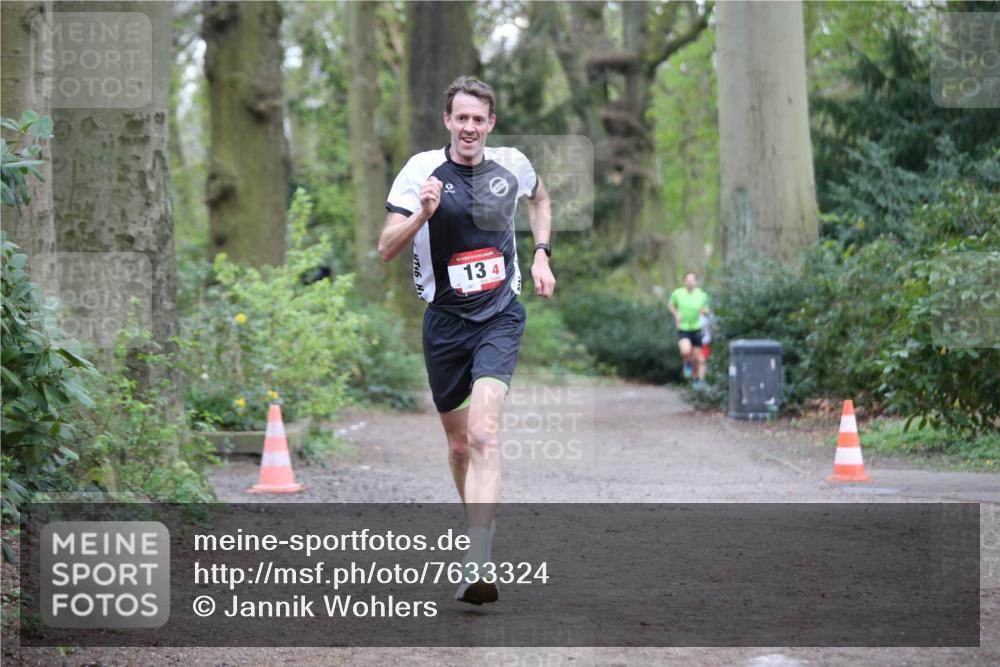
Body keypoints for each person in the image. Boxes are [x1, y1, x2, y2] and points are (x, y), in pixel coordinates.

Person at [377, 76, 555, 605]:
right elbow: (386, 248)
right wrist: (423, 214)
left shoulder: (514, 166)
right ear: (448, 121)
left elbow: (541, 200)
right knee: (458, 445)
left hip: (499, 315)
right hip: (445, 323)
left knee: (483, 435)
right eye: (461, 117)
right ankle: (480, 530)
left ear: (490, 123)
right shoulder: (420, 172)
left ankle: (478, 560)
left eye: (479, 118)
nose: (470, 127)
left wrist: (543, 252)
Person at [667, 272, 710, 382]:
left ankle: (695, 377)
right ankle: (687, 363)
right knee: (685, 351)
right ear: (684, 281)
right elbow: (670, 305)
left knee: (697, 357)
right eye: (688, 279)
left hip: (696, 328)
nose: (690, 281)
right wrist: (676, 314)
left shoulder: (702, 295)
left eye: (692, 279)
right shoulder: (678, 293)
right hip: (683, 327)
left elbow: (707, 310)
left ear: (696, 282)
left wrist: (704, 311)